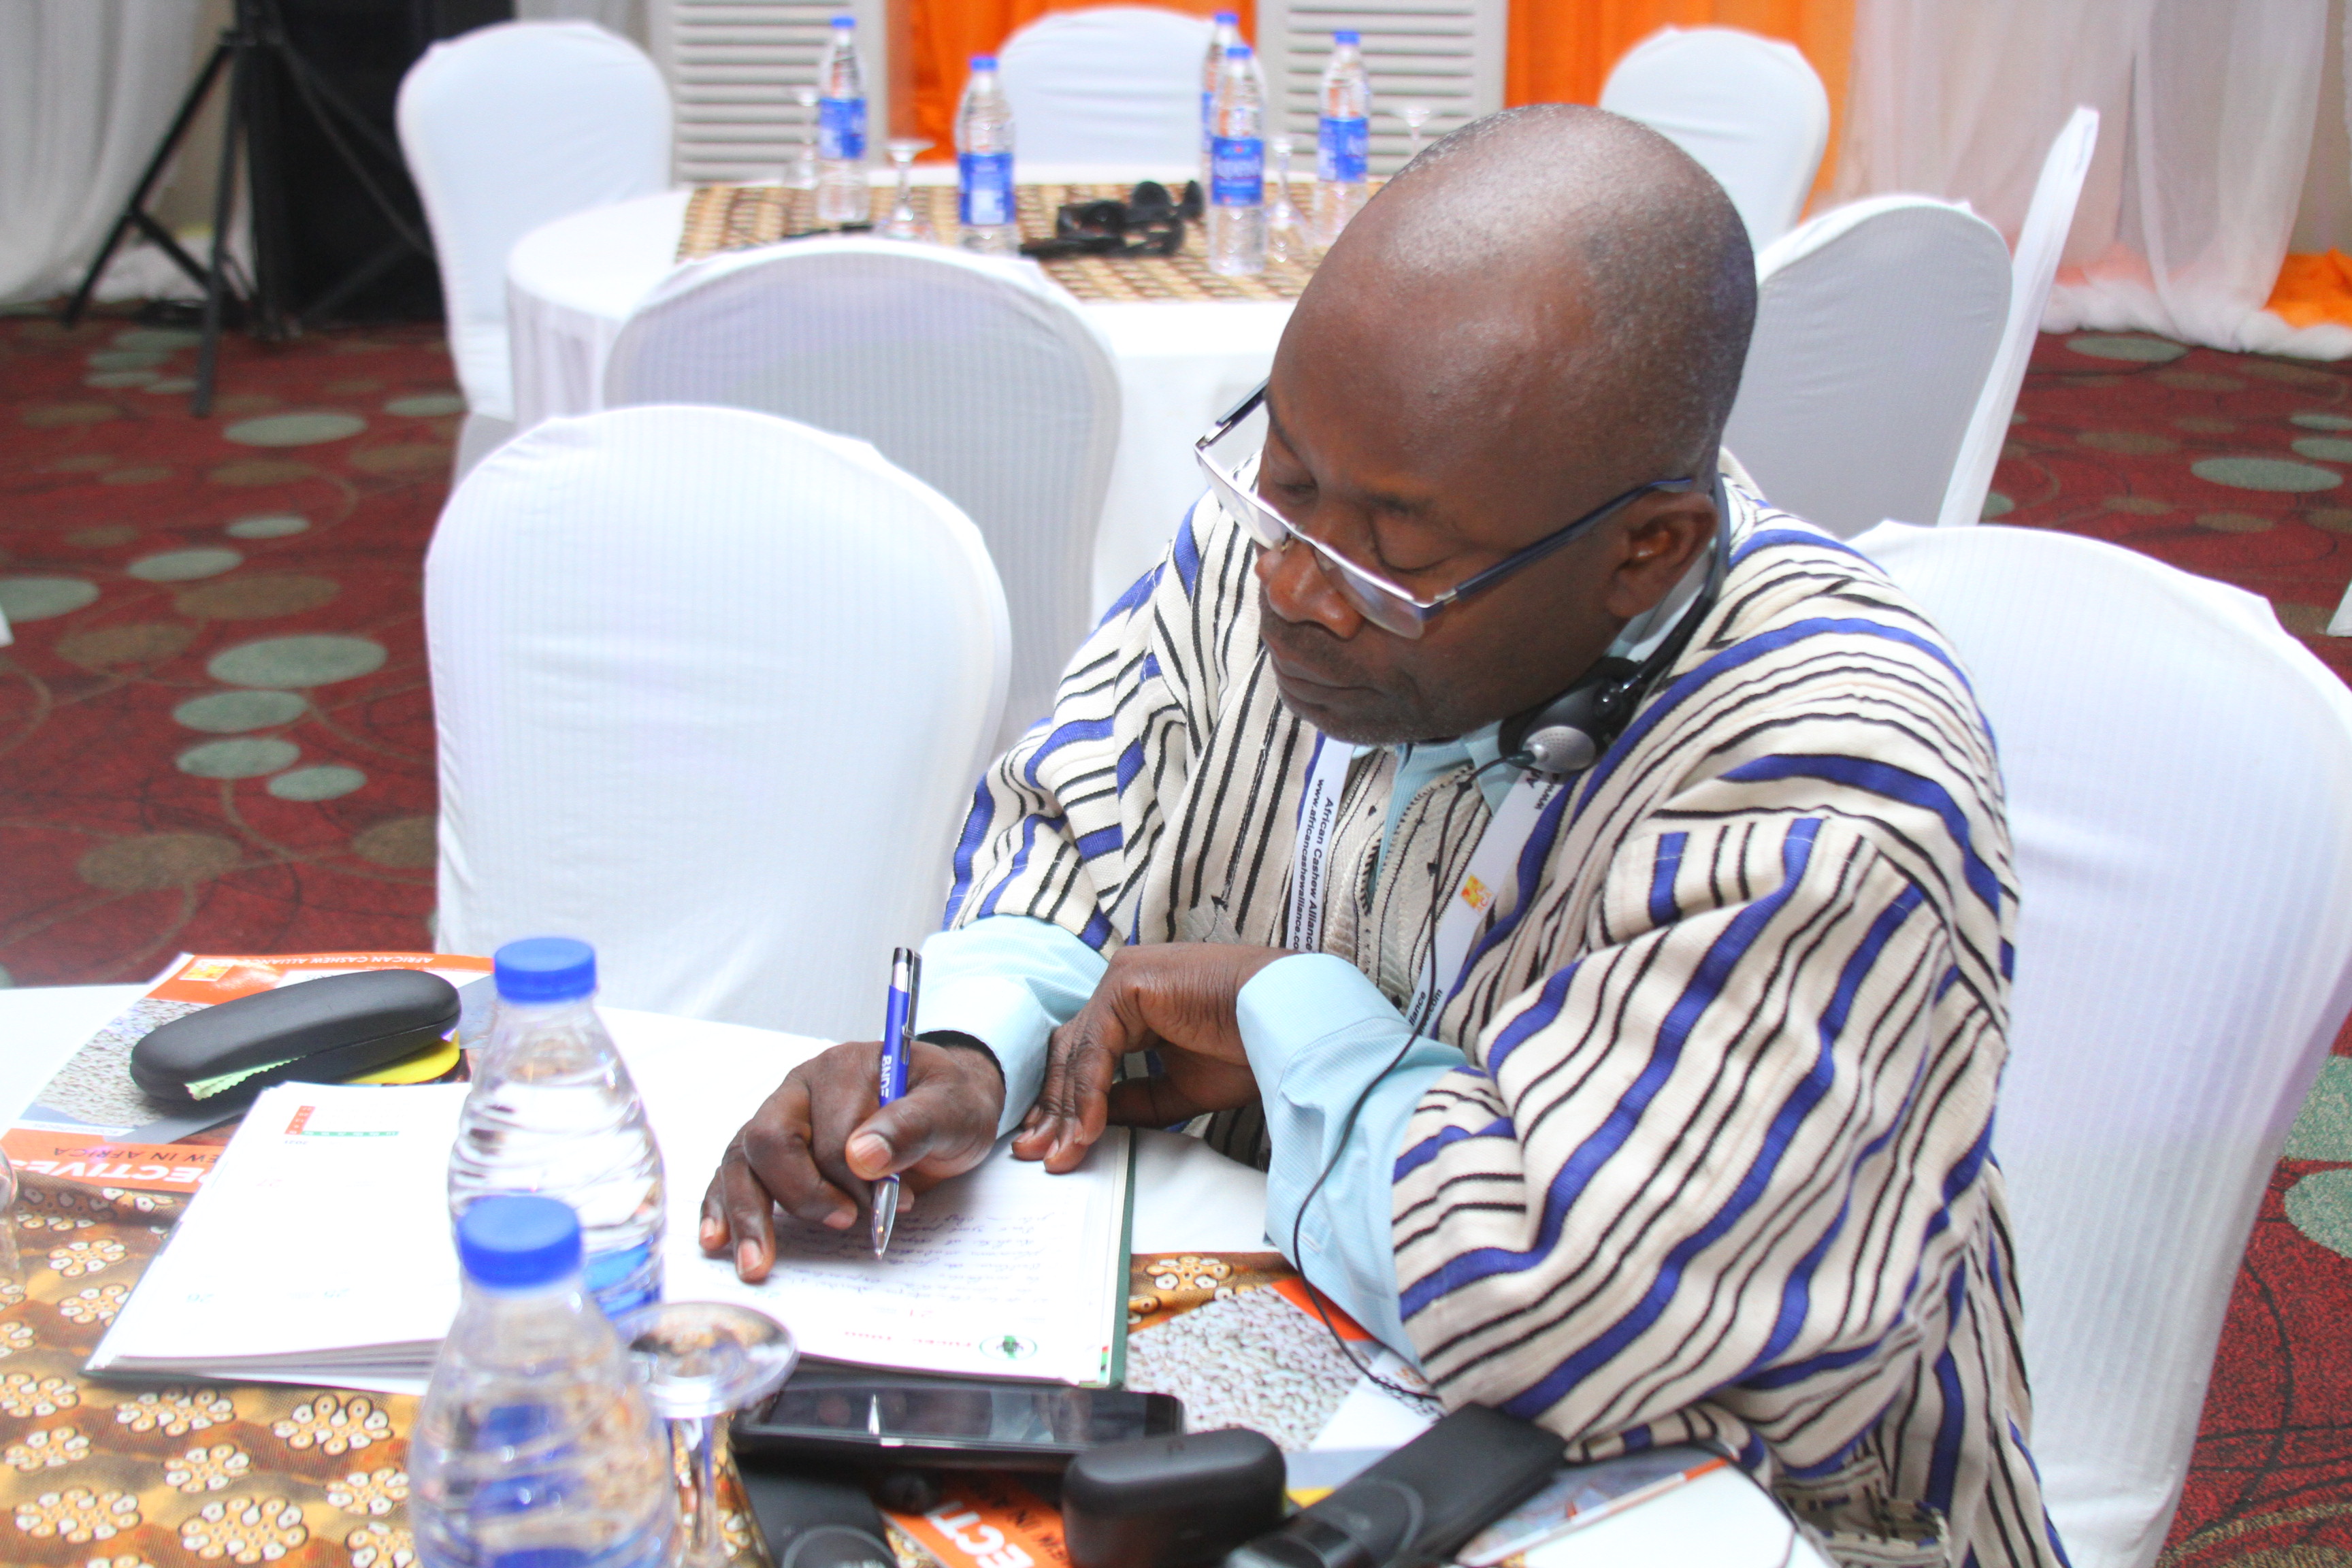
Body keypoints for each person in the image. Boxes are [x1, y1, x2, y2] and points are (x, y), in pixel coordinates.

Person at [703, 105, 2062, 1567]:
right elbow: (1070, 823)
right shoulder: (1298, 533)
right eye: (1284, 478)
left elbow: (1552, 1296)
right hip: (1297, 1421)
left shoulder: (1832, 774)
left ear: (1644, 550)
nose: (1294, 587)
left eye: (1395, 560)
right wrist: (972, 1053)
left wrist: (1292, 1019)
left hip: (1739, 1515)